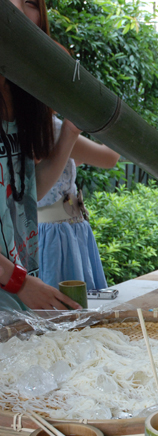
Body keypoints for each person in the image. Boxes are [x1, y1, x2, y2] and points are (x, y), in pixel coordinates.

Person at [0, 0, 82, 312]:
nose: (18, 8)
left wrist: (70, 133)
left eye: (30, 2)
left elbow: (25, 195)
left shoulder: (20, 102)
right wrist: (17, 281)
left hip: (15, 296)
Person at [38, 114, 120, 290]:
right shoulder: (51, 127)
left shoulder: (22, 125)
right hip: (60, 234)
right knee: (70, 308)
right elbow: (109, 157)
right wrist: (116, 120)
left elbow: (70, 162)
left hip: (49, 231)